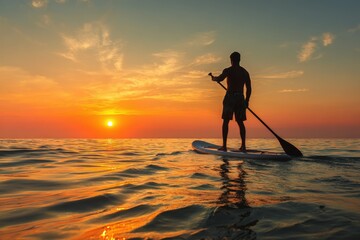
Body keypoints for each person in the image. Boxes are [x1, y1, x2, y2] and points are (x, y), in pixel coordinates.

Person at [210, 51, 252, 152]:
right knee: (240, 122)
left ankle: (224, 146)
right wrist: (247, 101)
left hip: (230, 98)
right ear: (239, 60)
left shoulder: (228, 70)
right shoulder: (245, 72)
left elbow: (219, 78)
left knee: (226, 121)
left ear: (231, 60)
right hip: (241, 98)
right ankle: (243, 146)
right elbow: (249, 88)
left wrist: (213, 78)